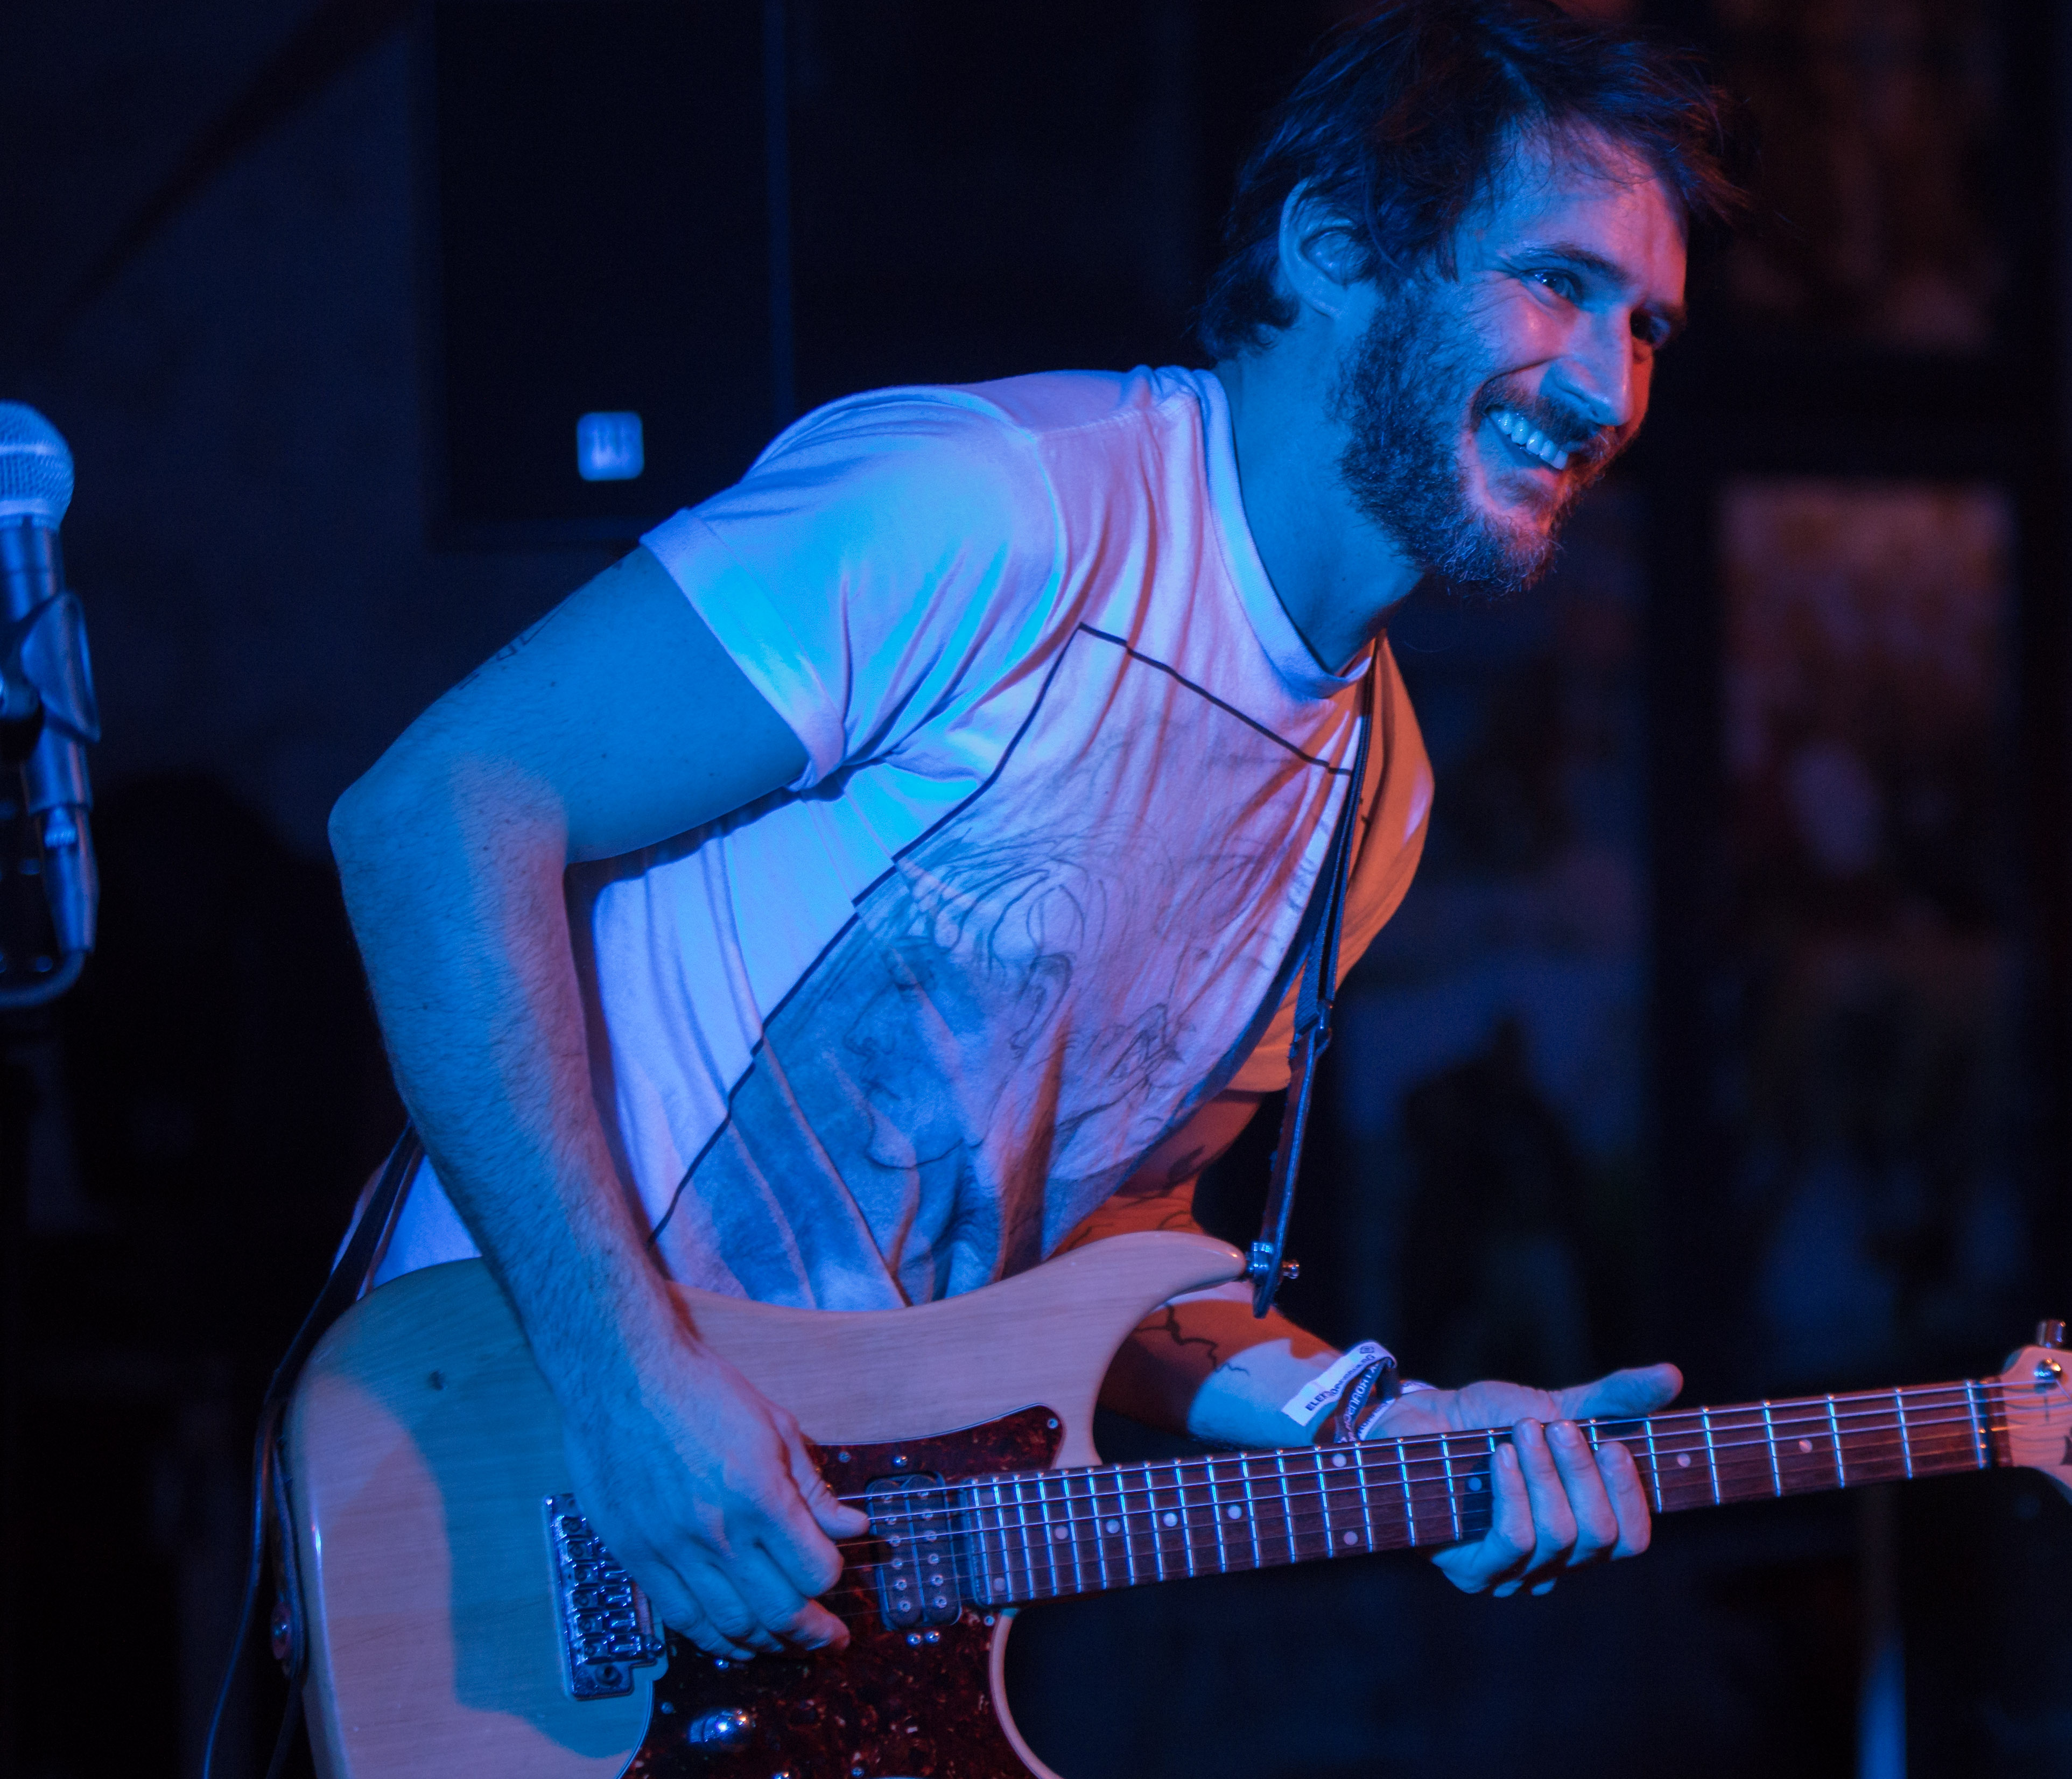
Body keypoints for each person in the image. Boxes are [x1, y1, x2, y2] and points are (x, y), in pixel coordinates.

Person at [331, 0, 1745, 1664]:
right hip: (501, 1501)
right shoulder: (1000, 506)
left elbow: (1101, 1231)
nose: (1609, 387)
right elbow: (438, 810)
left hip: (794, 1626)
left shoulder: (1382, 792)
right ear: (1338, 246)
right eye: (1559, 282)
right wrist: (625, 1380)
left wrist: (1379, 1427)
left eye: (1647, 327)